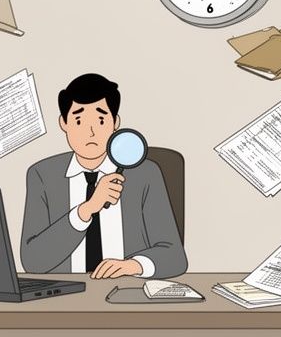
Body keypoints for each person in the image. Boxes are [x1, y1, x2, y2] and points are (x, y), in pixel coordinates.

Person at [20, 73, 186, 279]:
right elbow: (33, 261)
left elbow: (175, 257)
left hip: (127, 292)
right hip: (65, 299)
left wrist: (133, 266)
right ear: (63, 123)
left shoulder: (145, 174)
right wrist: (87, 209)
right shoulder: (42, 175)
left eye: (100, 120)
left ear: (115, 122)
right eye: (79, 120)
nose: (90, 132)